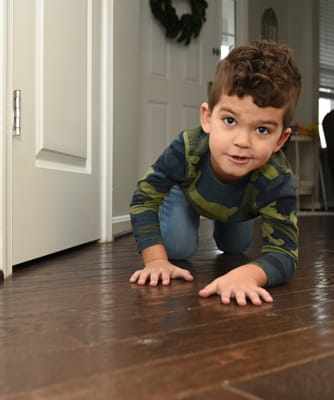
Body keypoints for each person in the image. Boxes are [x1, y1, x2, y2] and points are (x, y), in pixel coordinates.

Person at [129, 40, 301, 306]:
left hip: (237, 208)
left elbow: (285, 253)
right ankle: (181, 202)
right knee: (178, 249)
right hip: (189, 190)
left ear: (281, 140)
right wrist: (156, 261)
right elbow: (144, 198)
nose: (242, 142)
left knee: (235, 249)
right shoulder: (186, 149)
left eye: (263, 130)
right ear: (207, 117)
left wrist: (247, 275)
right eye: (230, 121)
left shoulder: (276, 178)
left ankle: (228, 220)